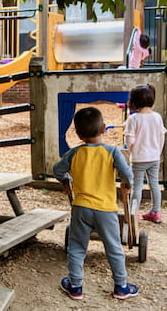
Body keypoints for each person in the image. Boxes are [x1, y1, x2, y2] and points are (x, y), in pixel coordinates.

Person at [53, 107, 138, 300]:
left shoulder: (74, 153)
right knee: (113, 247)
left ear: (78, 134)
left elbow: (57, 170)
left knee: (76, 247)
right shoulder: (112, 152)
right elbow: (128, 174)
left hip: (81, 207)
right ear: (104, 129)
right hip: (106, 209)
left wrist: (66, 180)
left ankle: (75, 286)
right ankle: (121, 286)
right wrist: (126, 185)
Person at [124, 84, 167, 223]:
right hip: (154, 157)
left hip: (138, 158)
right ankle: (156, 212)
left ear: (135, 100)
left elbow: (129, 139)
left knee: (136, 186)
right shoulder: (157, 117)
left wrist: (131, 149)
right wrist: (157, 152)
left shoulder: (133, 119)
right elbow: (162, 137)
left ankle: (133, 213)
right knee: (154, 184)